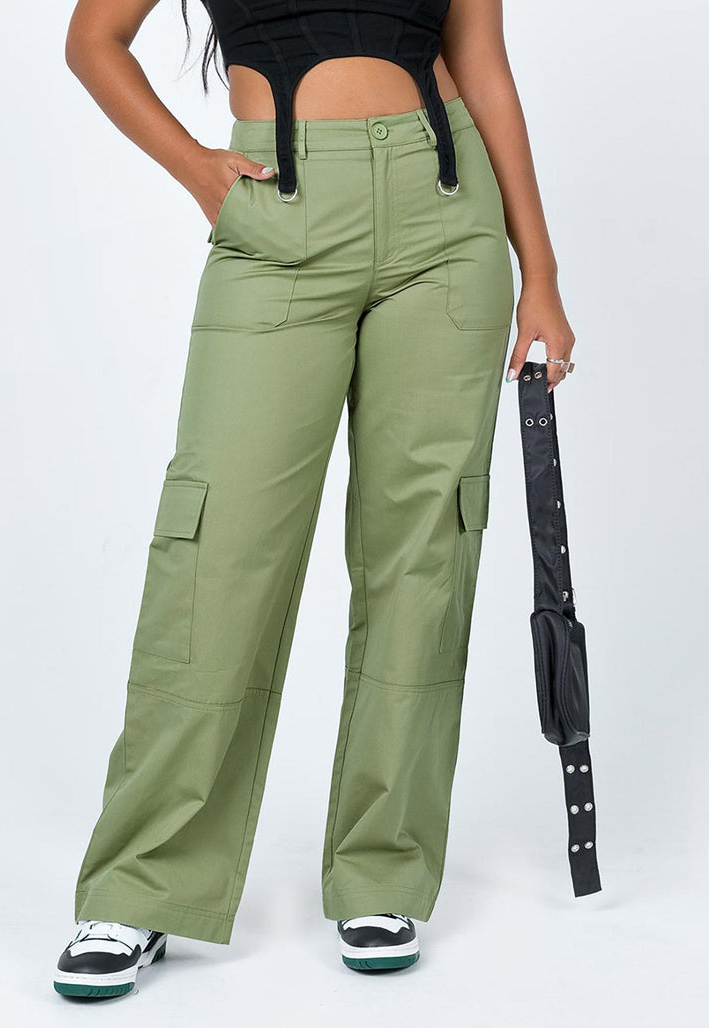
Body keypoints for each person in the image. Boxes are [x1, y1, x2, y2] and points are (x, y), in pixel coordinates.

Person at [54, 0, 576, 998]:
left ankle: (382, 872)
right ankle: (143, 882)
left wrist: (539, 273)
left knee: (423, 552)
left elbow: (482, 67)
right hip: (276, 208)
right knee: (216, 554)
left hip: (445, 217)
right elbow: (92, 40)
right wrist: (195, 166)